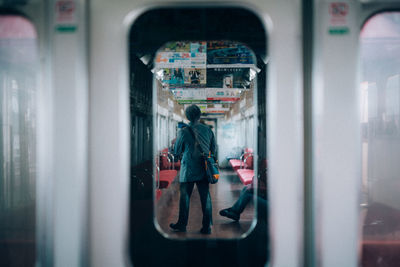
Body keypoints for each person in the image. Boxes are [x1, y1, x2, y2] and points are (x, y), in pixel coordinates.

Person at [170, 105, 216, 234]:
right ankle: (207, 227)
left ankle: (182, 224)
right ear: (199, 115)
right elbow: (213, 149)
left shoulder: (183, 132)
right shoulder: (208, 130)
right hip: (204, 169)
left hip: (188, 170)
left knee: (184, 198)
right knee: (205, 197)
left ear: (187, 117)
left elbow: (177, 151)